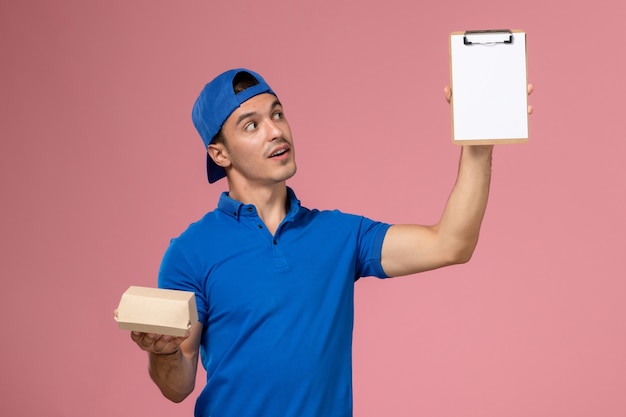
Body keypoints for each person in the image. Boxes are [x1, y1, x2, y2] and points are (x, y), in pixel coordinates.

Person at [130, 68, 533, 417]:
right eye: (251, 125)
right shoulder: (189, 253)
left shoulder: (340, 235)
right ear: (220, 154)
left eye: (278, 114)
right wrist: (163, 352)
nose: (275, 131)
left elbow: (451, 243)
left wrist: (478, 144)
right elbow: (177, 387)